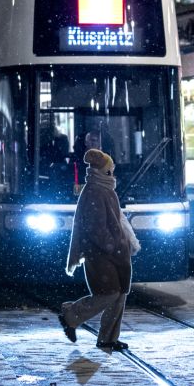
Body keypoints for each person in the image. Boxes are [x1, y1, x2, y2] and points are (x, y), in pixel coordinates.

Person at [58, 148, 140, 351]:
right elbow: (96, 229)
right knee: (109, 293)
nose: (113, 172)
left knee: (119, 294)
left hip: (114, 253)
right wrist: (113, 245)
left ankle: (108, 338)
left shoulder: (105, 188)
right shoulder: (95, 190)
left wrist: (122, 243)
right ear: (103, 170)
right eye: (110, 168)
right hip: (101, 254)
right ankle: (70, 314)